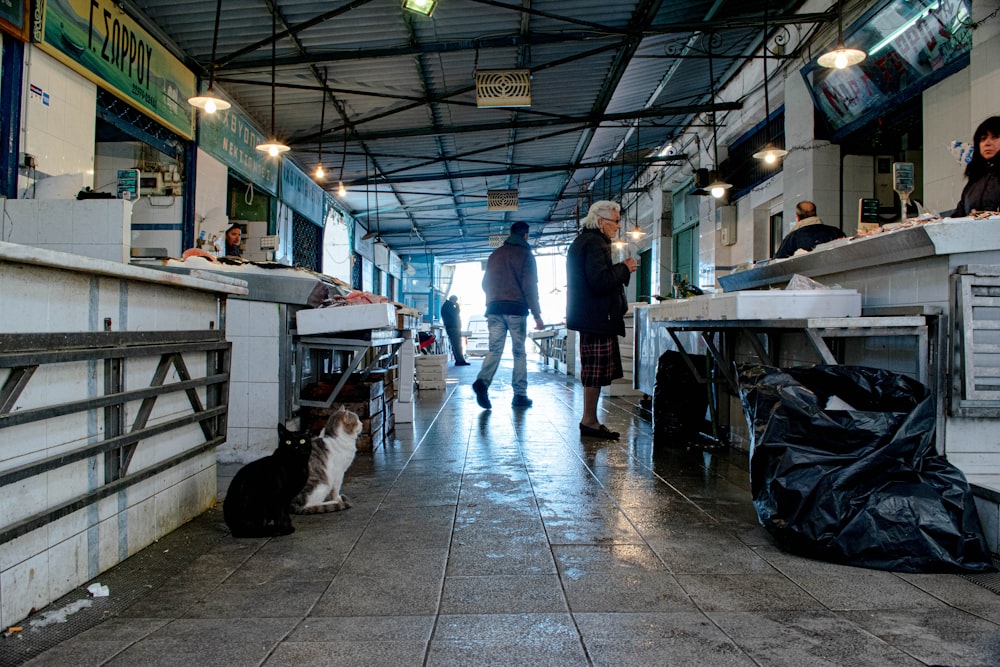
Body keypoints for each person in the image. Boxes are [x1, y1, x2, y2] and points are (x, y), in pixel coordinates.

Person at [566, 201, 637, 440]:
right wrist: (624, 268)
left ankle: (591, 419)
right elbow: (599, 281)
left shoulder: (586, 242)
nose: (618, 226)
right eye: (615, 221)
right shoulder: (595, 243)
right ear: (600, 222)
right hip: (596, 316)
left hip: (590, 316)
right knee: (595, 370)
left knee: (593, 370)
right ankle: (589, 420)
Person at [472, 221, 544, 409]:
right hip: (516, 309)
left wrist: (493, 299)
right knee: (519, 351)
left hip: (494, 309)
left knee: (495, 349)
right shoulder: (526, 255)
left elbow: (484, 283)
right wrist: (537, 314)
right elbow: (530, 287)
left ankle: (482, 381)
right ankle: (520, 395)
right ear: (526, 235)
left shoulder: (495, 255)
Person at [953, 115, 1000, 217]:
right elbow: (959, 216)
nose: (987, 143)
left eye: (995, 137)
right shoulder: (974, 179)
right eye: (983, 139)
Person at [773, 201, 845, 259]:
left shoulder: (792, 238)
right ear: (815, 214)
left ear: (798, 217)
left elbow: (778, 262)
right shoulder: (836, 232)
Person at [440, 295, 470, 366]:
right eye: (455, 301)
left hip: (451, 327)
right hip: (453, 328)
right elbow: (455, 314)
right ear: (453, 300)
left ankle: (459, 360)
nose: (455, 303)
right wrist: (457, 307)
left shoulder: (446, 305)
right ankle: (460, 361)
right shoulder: (449, 306)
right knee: (457, 345)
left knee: (455, 345)